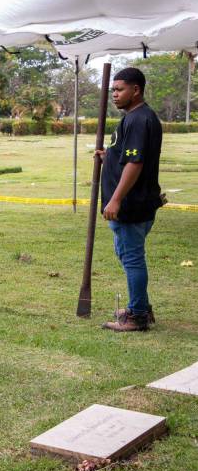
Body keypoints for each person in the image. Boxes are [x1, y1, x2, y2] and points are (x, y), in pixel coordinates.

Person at [97, 67, 163, 332]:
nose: (114, 94)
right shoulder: (137, 118)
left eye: (119, 89)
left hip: (131, 205)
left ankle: (137, 316)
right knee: (126, 253)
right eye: (112, 90)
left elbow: (135, 164)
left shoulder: (138, 119)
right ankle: (140, 306)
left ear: (136, 90)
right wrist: (109, 156)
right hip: (136, 203)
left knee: (132, 258)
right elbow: (128, 155)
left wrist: (115, 200)